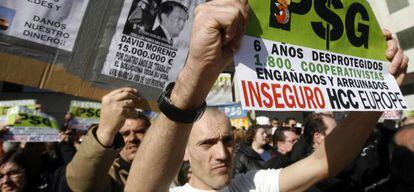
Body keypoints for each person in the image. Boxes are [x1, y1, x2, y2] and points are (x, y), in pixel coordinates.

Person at [124, 0, 408, 191]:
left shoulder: (250, 184)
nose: (222, 154)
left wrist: (378, 94)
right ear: (183, 151)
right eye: (206, 144)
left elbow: (322, 163)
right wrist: (197, 73)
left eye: (227, 140)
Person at [65, 89, 150, 192]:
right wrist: (105, 131)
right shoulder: (109, 174)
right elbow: (83, 185)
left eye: (139, 132)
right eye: (125, 134)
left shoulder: (171, 168)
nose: (132, 138)